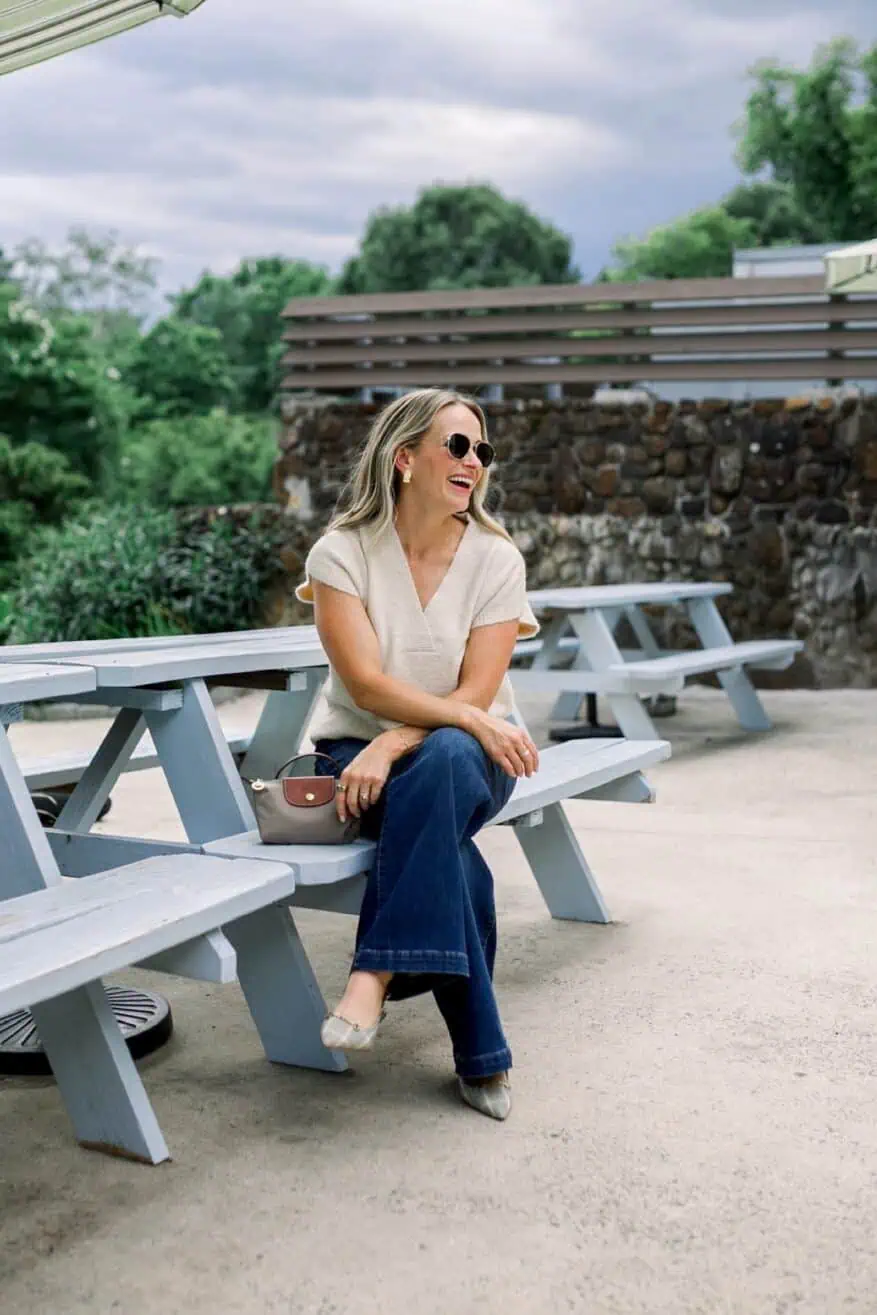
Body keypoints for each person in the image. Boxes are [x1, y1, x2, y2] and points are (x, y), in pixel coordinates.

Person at [295, 387, 540, 1121]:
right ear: (404, 458)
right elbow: (365, 682)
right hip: (352, 754)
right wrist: (381, 739)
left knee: (440, 764)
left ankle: (372, 970)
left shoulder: (497, 561)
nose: (474, 461)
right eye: (457, 445)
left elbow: (476, 694)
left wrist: (396, 738)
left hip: (473, 753)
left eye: (483, 450)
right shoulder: (340, 553)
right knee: (454, 861)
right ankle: (481, 1055)